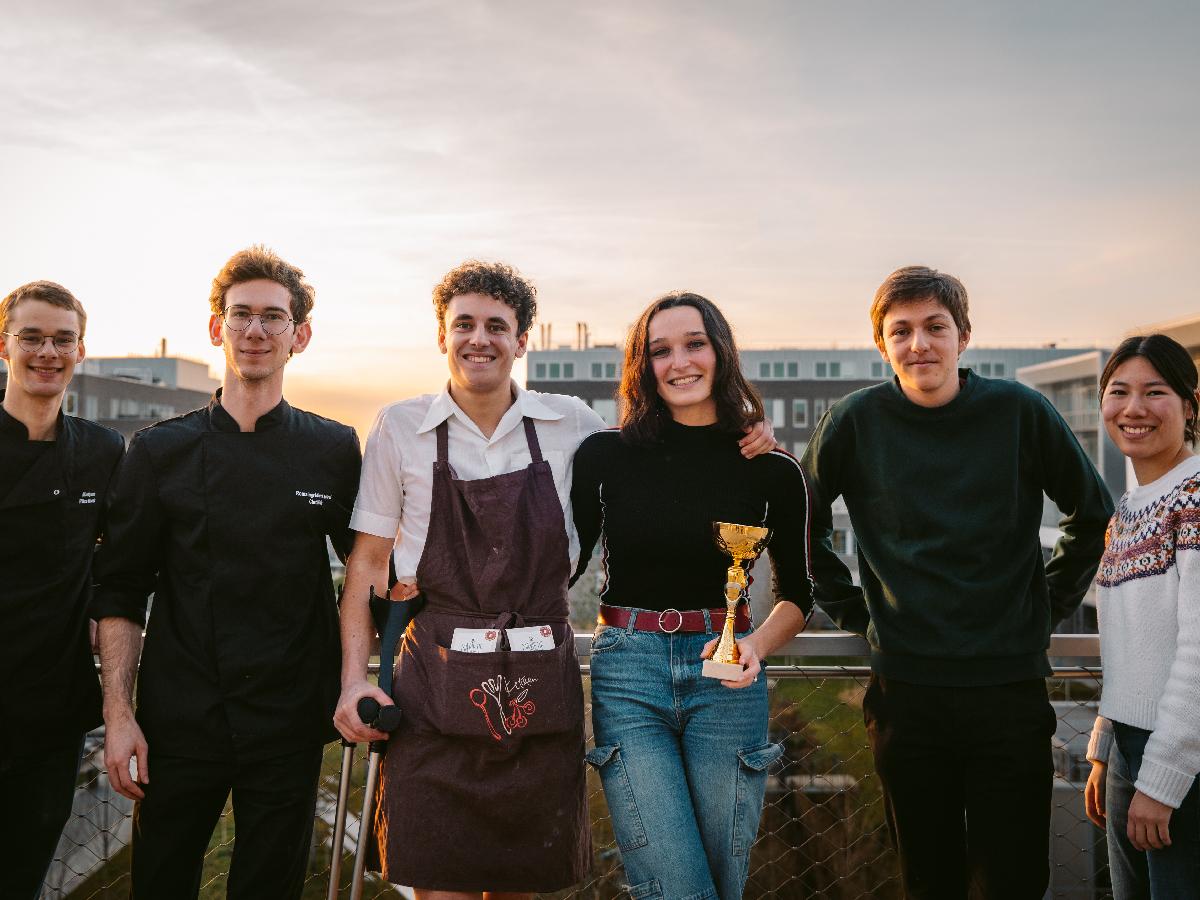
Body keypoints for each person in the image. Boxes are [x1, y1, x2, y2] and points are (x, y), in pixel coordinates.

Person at [333, 262, 779, 898]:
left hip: (537, 688)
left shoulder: (573, 426)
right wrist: (354, 681)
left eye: (497, 326)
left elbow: (666, 453)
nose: (478, 339)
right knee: (438, 885)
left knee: (523, 884)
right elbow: (368, 567)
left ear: (522, 341)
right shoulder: (399, 429)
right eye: (463, 324)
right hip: (432, 684)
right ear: (441, 336)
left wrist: (747, 434)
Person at [801, 265, 1114, 899]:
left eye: (935, 327)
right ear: (883, 344)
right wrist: (858, 614)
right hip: (906, 694)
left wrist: (1044, 607)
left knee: (1015, 879)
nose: (919, 343)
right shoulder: (854, 421)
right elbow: (798, 528)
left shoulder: (1020, 412)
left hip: (1008, 690)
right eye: (902, 331)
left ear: (963, 336)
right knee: (928, 878)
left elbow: (1094, 514)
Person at [92, 246, 361, 899]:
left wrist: (369, 681)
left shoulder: (333, 449)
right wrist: (121, 716)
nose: (256, 331)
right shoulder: (159, 451)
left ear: (300, 335)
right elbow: (121, 592)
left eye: (274, 317)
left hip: (290, 718)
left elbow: (369, 575)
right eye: (241, 315)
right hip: (179, 718)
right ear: (218, 328)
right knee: (160, 883)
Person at [570, 291, 813, 900]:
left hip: (727, 682)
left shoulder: (772, 468)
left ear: (721, 352)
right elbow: (561, 563)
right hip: (628, 673)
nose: (679, 362)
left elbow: (799, 595)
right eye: (660, 350)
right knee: (674, 886)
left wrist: (753, 646)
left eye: (695, 343)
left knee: (721, 887)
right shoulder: (606, 455)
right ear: (642, 365)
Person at [0, 281, 124, 899]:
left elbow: (122, 558)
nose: (47, 351)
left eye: (62, 339)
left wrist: (103, 608)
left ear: (80, 351)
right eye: (32, 337)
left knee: (21, 877)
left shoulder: (102, 451)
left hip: (49, 713)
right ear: (5, 345)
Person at [1083, 334, 1200, 899]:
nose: (1133, 409)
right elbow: (1132, 644)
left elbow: (1197, 651)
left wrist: (1163, 780)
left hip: (1183, 758)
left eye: (1155, 392)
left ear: (1189, 406)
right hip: (1132, 750)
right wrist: (1107, 744)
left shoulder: (1196, 497)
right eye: (1118, 391)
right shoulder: (1129, 508)